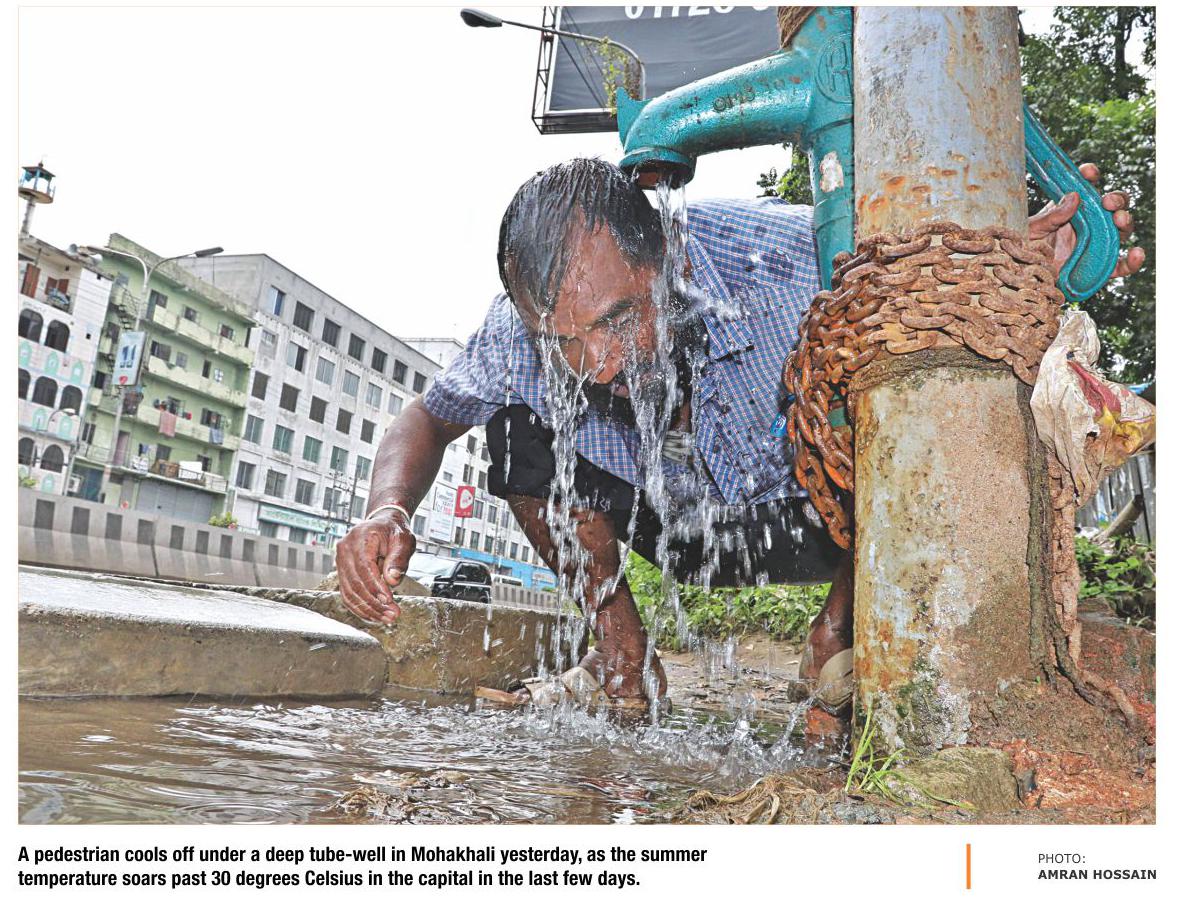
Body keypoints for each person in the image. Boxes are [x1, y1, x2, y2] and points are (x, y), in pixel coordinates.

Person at [337, 157, 1142, 709]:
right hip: (674, 528)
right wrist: (386, 509)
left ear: (666, 257)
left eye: (618, 319)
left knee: (912, 395)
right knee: (515, 429)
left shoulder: (793, 260)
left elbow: (942, 287)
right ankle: (623, 659)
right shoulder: (520, 333)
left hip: (817, 520)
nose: (598, 365)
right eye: (563, 341)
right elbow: (427, 418)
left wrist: (1015, 264)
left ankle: (837, 631)